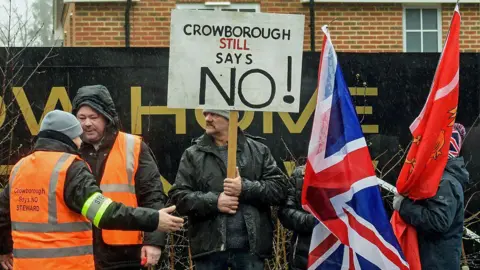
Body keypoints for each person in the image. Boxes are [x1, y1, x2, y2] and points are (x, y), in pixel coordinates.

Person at [0, 110, 184, 270]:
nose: (81, 141)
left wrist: (4, 249)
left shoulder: (20, 168)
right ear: (70, 137)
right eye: (78, 135)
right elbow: (103, 213)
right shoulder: (70, 168)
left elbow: (2, 216)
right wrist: (153, 219)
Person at [169, 109, 288, 270]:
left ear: (231, 118)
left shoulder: (259, 151)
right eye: (205, 114)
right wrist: (215, 201)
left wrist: (244, 188)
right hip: (209, 252)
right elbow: (179, 197)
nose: (207, 118)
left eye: (214, 114)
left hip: (250, 253)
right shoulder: (193, 155)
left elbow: (279, 190)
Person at [71, 85, 168, 269]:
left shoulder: (133, 146)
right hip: (79, 251)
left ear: (107, 118)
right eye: (81, 118)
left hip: (125, 253)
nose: (87, 123)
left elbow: (152, 196)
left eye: (93, 117)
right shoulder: (69, 150)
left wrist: (153, 241)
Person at [393, 123, 469, 270]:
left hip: (436, 264)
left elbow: (439, 222)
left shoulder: (445, 181)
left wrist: (404, 206)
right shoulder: (444, 178)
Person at [278, 165, 316, 270]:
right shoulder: (300, 175)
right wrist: (310, 221)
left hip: (338, 256)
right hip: (302, 257)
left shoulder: (351, 177)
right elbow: (285, 213)